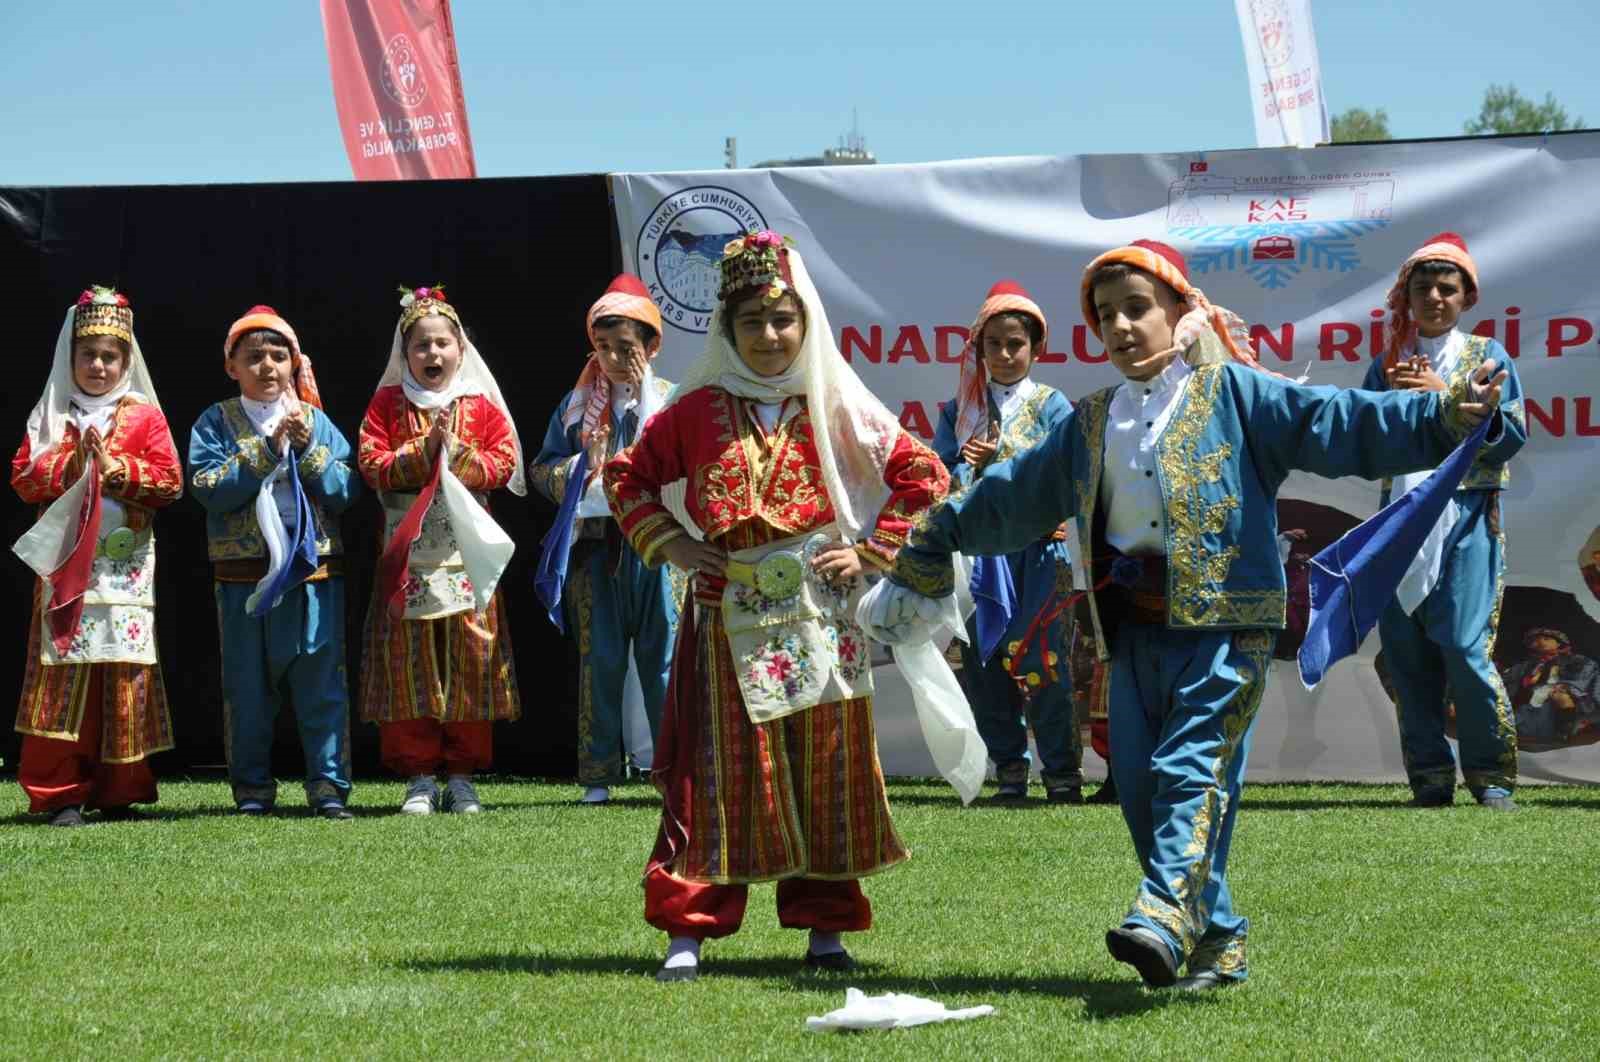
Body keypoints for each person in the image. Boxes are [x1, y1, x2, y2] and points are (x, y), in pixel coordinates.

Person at [863, 239, 1509, 990]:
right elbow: (1014, 492)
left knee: (1189, 769)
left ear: (1181, 311)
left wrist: (1439, 418)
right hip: (1131, 626)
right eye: (1107, 316)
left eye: (1137, 308)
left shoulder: (1238, 394)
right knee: (1138, 787)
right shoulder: (1091, 420)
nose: (1122, 327)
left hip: (1228, 622)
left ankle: (1167, 913)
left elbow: (1338, 421)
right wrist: (936, 533)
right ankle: (1221, 937)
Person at [603, 232, 950, 981]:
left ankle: (825, 932)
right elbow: (626, 478)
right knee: (714, 767)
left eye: (783, 319)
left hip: (822, 619)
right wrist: (674, 544)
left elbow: (926, 476)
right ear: (726, 330)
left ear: (806, 322)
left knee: (825, 767)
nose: (769, 336)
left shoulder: (837, 404)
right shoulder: (695, 412)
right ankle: (687, 931)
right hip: (725, 617)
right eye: (751, 321)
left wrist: (872, 552)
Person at [1360, 233, 1526, 810]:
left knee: (1462, 644)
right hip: (1401, 522)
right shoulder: (1386, 364)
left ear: (1466, 297)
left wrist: (1441, 399)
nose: (1434, 296)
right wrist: (1396, 411)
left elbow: (1513, 436)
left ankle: (1491, 776)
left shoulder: (1487, 357)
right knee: (1406, 655)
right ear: (1405, 294)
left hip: (1467, 514)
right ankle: (1429, 777)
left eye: (1446, 287)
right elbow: (1364, 445)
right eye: (1422, 286)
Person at [11, 287, 181, 825]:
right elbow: (22, 477)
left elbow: (171, 481)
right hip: (66, 569)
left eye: (110, 356)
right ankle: (60, 792)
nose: (99, 365)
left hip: (124, 571)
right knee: (62, 672)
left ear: (126, 360)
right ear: (71, 358)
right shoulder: (52, 415)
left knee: (121, 671)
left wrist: (117, 471)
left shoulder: (144, 419)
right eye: (89, 355)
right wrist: (72, 462)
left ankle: (119, 788)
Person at [358, 285, 523, 815]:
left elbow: (504, 464)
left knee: (470, 659)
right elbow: (370, 463)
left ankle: (462, 774)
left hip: (464, 559)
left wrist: (457, 453)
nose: (433, 355)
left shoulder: (481, 407)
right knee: (410, 662)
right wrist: (419, 452)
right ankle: (420, 776)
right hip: (409, 558)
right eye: (421, 346)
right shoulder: (387, 404)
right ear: (405, 355)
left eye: (442, 344)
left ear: (461, 349)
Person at [189, 305, 359, 818]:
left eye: (278, 356)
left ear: (294, 363)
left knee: (321, 684)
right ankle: (253, 790)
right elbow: (206, 487)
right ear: (232, 366)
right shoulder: (215, 421)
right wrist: (266, 451)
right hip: (244, 577)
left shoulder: (317, 421)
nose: (267, 366)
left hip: (313, 573)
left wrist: (307, 450)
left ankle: (328, 788)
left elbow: (346, 490)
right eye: (254, 356)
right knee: (247, 687)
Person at [931, 280, 1083, 803]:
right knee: (984, 664)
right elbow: (935, 487)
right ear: (978, 349)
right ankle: (1010, 772)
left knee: (1046, 662)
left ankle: (1063, 775)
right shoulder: (958, 412)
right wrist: (963, 464)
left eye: (1016, 343)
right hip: (978, 559)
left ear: (1037, 349)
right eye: (993, 344)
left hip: (1039, 555)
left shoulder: (1052, 405)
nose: (1004, 354)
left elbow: (1074, 472)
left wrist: (1051, 510)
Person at [531, 274, 680, 804]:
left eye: (627, 348)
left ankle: (672, 773)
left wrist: (643, 403)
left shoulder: (671, 403)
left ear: (652, 347)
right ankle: (598, 775)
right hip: (597, 548)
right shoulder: (575, 411)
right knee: (601, 660)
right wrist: (581, 466)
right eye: (604, 347)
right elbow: (540, 471)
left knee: (665, 662)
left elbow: (681, 464)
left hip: (661, 553)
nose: (615, 359)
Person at [1502, 628, 1599, 749]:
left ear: (1559, 643)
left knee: (1561, 698)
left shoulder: (1576, 660)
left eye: (1546, 639)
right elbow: (1510, 678)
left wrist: (1566, 686)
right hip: (1535, 693)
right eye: (1535, 641)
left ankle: (1563, 733)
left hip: (1564, 690)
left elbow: (1586, 674)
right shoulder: (1528, 664)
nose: (1541, 642)